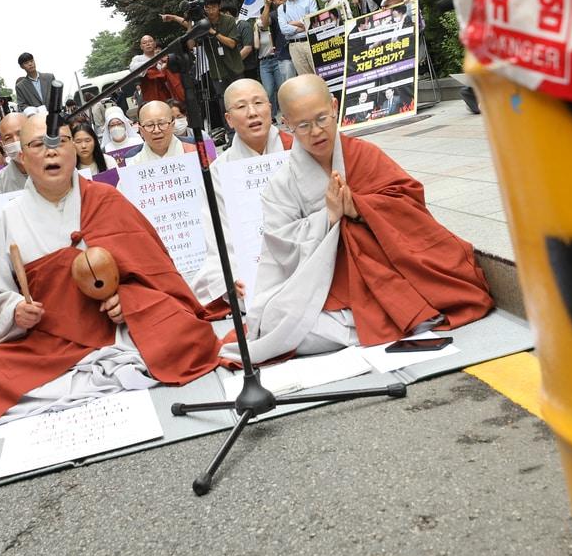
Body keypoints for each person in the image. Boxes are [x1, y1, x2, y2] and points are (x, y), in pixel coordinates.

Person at [0, 116, 223, 432]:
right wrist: (14, 310)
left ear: (74, 150)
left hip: (117, 327)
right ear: (22, 157)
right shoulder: (7, 219)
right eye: (38, 145)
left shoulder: (105, 199)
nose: (51, 152)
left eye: (60, 142)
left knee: (191, 337)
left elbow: (156, 273)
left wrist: (128, 299)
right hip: (47, 340)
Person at [228, 76, 494, 365]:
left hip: (387, 273)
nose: (316, 131)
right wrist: (328, 217)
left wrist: (358, 208)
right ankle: (394, 318)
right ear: (287, 123)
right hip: (328, 289)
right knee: (277, 325)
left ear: (334, 106)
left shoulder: (363, 154)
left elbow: (409, 202)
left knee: (448, 279)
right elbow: (281, 248)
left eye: (322, 119)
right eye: (303, 125)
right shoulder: (281, 185)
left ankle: (388, 317)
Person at [191, 79, 293, 303]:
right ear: (228, 119)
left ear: (270, 107)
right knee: (217, 277)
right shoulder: (219, 171)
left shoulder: (297, 150)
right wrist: (236, 274)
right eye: (241, 106)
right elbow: (218, 232)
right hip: (250, 264)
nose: (252, 112)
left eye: (258, 103)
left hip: (302, 254)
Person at [271, 0, 318, 78]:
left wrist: (292, 23)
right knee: (306, 79)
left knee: (320, 74)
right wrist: (303, 25)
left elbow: (313, 22)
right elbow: (284, 29)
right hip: (294, 46)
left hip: (311, 42)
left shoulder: (309, 1)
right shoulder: (281, 8)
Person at [128, 100, 198, 164]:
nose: (156, 130)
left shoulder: (195, 152)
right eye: (150, 125)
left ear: (172, 125)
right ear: (141, 130)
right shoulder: (133, 163)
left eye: (162, 123)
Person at [129, 34, 185, 104]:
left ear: (154, 44)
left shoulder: (162, 57)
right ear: (141, 47)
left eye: (150, 41)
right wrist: (154, 62)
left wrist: (166, 64)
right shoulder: (137, 58)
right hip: (151, 94)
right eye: (144, 43)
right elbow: (133, 69)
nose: (148, 44)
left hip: (167, 92)